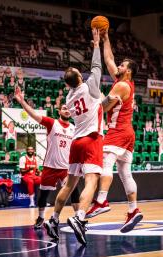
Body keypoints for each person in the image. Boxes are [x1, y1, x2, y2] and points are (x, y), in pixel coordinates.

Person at [44, 28, 103, 245]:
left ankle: (54, 219)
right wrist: (96, 44)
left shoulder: (69, 98)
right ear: (79, 77)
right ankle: (79, 218)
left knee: (69, 185)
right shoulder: (90, 88)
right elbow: (97, 67)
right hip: (91, 139)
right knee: (92, 181)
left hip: (75, 143)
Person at [85, 30, 142, 233]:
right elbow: (109, 59)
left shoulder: (121, 87)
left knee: (105, 162)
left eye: (122, 66)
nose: (118, 66)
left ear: (128, 72)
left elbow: (104, 107)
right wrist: (104, 39)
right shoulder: (125, 82)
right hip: (128, 132)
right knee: (125, 172)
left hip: (118, 130)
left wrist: (96, 93)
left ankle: (101, 200)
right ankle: (133, 210)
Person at [15, 87, 79, 229]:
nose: (67, 110)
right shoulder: (52, 123)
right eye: (64, 108)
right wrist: (22, 102)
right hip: (50, 166)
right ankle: (41, 217)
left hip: (66, 168)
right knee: (43, 195)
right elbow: (33, 115)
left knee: (74, 191)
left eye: (69, 108)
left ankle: (79, 219)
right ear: (59, 111)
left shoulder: (74, 128)